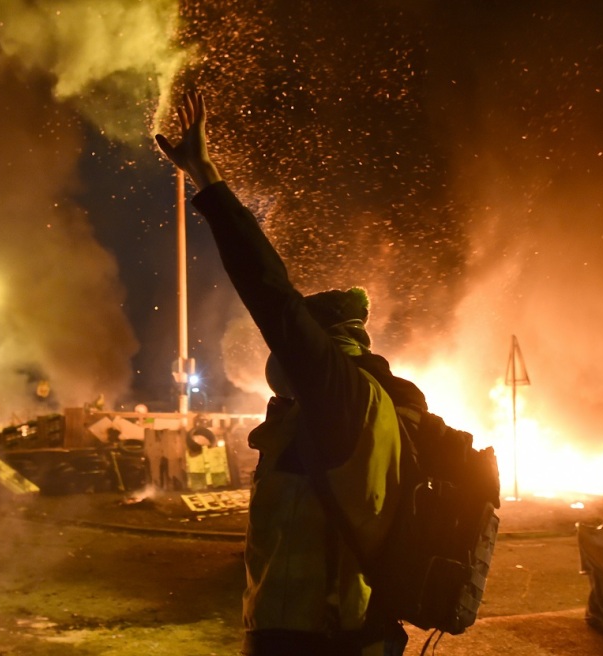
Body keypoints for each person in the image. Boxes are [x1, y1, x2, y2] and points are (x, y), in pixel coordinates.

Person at [157, 91, 422, 656]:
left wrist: (206, 175)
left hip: (315, 640)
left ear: (323, 344)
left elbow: (271, 296)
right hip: (344, 632)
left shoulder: (342, 396)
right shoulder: (377, 408)